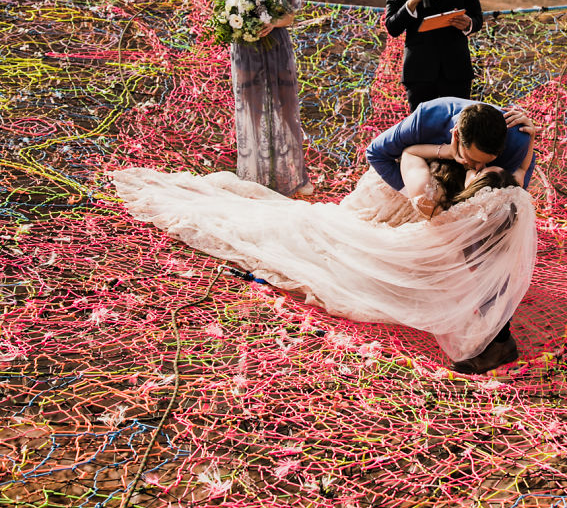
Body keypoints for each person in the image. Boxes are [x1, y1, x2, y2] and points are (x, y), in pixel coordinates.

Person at [110, 145, 537, 372]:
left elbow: (409, 159)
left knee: (327, 249)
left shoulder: (448, 214)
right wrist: (529, 140)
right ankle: (497, 342)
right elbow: (518, 173)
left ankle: (496, 344)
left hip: (421, 237)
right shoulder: (509, 192)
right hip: (457, 244)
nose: (479, 169)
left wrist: (444, 152)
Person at [348, 98, 537, 371]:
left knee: (489, 257)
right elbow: (379, 153)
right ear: (456, 137)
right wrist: (414, 194)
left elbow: (517, 183)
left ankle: (498, 341)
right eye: (472, 161)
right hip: (435, 206)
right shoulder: (429, 125)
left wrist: (528, 142)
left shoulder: (507, 165)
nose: (476, 168)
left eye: (484, 166)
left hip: (460, 209)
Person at [221, 0, 312, 198]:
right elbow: (225, 21)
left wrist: (273, 23)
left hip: (277, 50)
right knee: (253, 112)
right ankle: (255, 179)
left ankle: (295, 176)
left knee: (286, 112)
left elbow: (294, 14)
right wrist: (243, 26)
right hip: (246, 55)